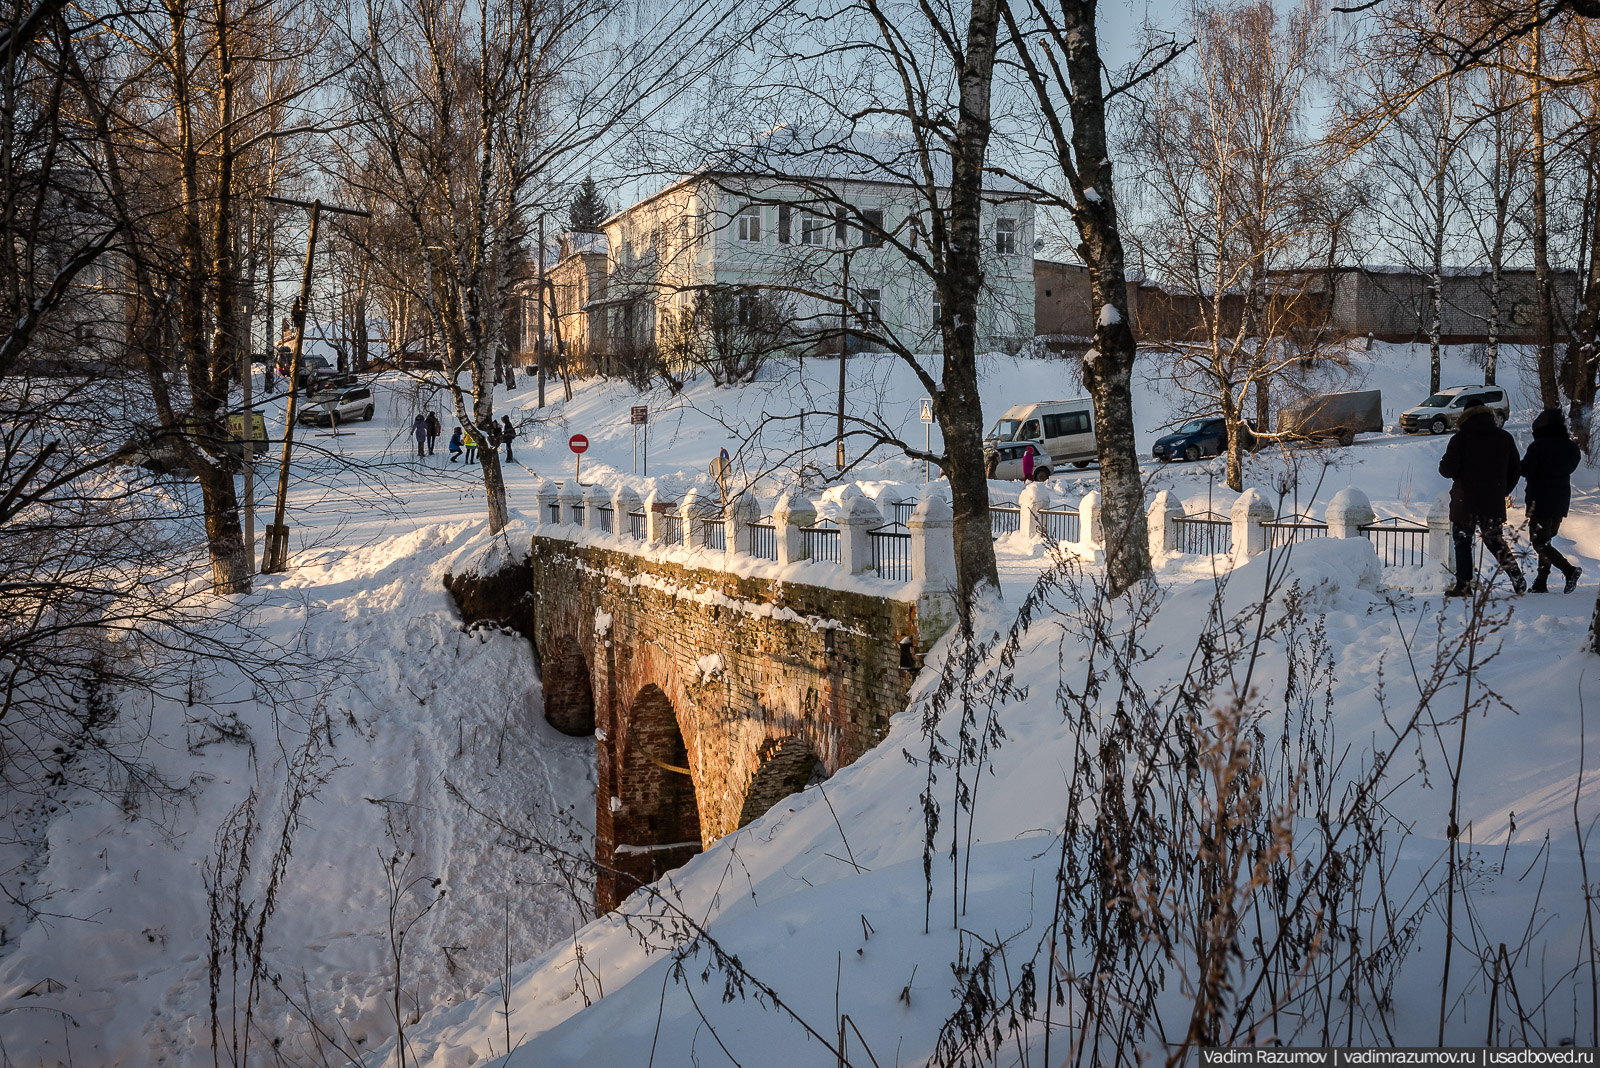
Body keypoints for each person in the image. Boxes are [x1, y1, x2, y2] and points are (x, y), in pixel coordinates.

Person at [1438, 396, 1527, 596]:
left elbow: (1447, 470)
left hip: (1465, 501)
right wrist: (1502, 491)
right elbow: (1516, 469)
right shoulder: (1504, 438)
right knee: (1494, 540)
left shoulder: (1460, 438)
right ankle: (1516, 576)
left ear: (1465, 415)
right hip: (1492, 501)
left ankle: (1463, 586)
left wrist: (1446, 462)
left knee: (1463, 542)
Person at [1522, 408, 1583, 593]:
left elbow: (1526, 469)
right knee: (1546, 542)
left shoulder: (1538, 446)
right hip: (1560, 501)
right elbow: (1571, 466)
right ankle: (1540, 582)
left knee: (1539, 543)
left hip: (1540, 500)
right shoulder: (1570, 447)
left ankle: (1569, 570)